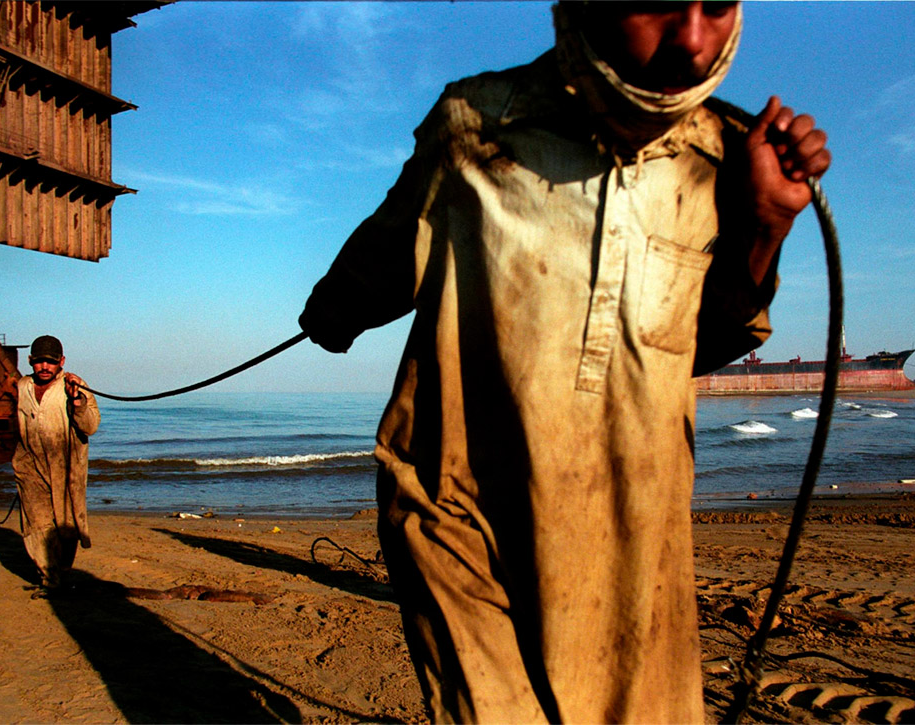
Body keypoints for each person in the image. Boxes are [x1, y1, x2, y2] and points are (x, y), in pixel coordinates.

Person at [299, 2, 830, 722]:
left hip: (635, 554)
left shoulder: (725, 160)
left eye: (718, 6)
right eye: (660, 5)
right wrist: (331, 314)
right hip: (463, 522)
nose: (694, 43)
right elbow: (389, 250)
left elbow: (696, 346)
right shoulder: (476, 127)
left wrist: (767, 225)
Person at [12, 334, 100, 593]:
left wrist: (77, 401)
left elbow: (91, 426)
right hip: (30, 465)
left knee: (67, 525)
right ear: (30, 361)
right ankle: (49, 579)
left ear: (61, 361)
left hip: (67, 466)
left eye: (50, 362)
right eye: (39, 362)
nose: (44, 367)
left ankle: (61, 571)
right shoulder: (21, 387)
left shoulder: (74, 385)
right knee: (37, 523)